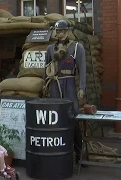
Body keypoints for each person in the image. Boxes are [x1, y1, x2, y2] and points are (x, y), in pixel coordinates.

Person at [43, 20, 86, 165]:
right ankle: (59, 154)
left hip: (69, 85)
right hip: (55, 84)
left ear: (67, 31)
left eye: (61, 31)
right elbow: (46, 68)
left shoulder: (76, 48)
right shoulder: (50, 49)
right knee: (56, 119)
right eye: (57, 31)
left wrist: (82, 88)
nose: (58, 33)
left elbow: (82, 69)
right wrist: (45, 85)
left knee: (72, 118)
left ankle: (79, 155)